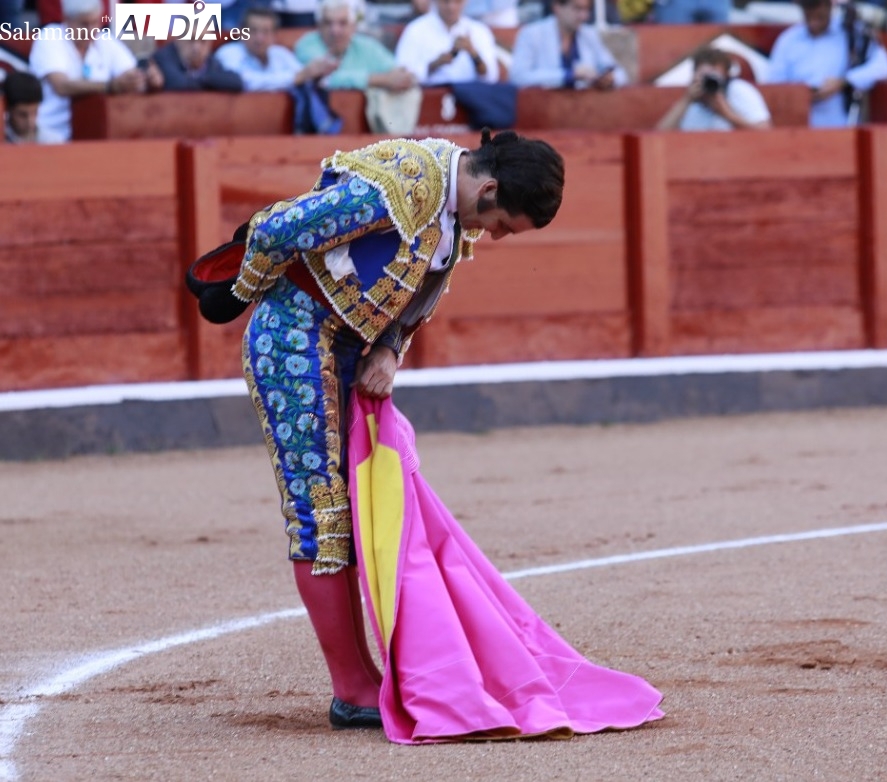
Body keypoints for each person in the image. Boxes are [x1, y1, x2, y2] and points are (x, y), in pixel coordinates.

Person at [194, 130, 662, 738]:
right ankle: (352, 689)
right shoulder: (404, 184)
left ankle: (366, 680)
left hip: (351, 346)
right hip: (293, 340)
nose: (496, 236)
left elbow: (418, 293)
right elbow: (276, 229)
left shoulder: (454, 210)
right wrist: (240, 292)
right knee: (323, 513)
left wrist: (390, 348)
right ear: (488, 189)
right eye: (503, 224)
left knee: (361, 506)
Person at [28, 0, 159, 141]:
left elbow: (130, 73)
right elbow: (61, 85)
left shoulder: (104, 40)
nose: (91, 30)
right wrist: (110, 86)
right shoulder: (50, 36)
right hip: (49, 132)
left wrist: (145, 78)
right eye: (84, 24)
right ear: (67, 20)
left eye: (95, 22)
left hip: (94, 133)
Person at [761, 0, 887, 128]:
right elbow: (774, 85)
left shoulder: (851, 32)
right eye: (808, 11)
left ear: (829, 6)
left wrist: (844, 82)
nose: (813, 19)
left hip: (844, 127)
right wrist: (801, 94)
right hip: (798, 130)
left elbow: (883, 67)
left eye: (818, 13)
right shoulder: (788, 40)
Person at [294, 0, 417, 92]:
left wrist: (402, 77)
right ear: (319, 26)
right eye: (328, 23)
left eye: (342, 23)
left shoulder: (365, 45)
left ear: (353, 26)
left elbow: (397, 71)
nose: (335, 30)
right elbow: (326, 79)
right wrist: (382, 80)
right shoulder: (307, 45)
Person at [509, 0, 628, 90]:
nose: (583, 16)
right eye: (577, 8)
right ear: (557, 7)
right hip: (544, 109)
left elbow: (620, 73)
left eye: (586, 9)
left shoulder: (589, 34)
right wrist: (568, 76)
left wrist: (610, 79)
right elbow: (518, 77)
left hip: (584, 109)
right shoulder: (531, 34)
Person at [214, 7, 339, 91]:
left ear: (274, 35)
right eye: (253, 31)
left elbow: (303, 74)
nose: (259, 38)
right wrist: (296, 78)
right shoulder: (228, 53)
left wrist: (317, 74)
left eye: (266, 32)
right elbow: (244, 82)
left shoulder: (280, 54)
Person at [657, 46, 770, 131]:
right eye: (704, 76)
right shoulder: (691, 101)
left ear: (726, 76)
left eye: (713, 76)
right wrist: (686, 100)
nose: (708, 81)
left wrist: (727, 114)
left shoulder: (738, 90)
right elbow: (659, 137)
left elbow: (765, 132)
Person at [394, 0, 500, 85]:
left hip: (470, 100)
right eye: (446, 1)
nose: (451, 7)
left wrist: (473, 53)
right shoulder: (416, 30)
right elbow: (403, 73)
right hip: (429, 98)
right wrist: (434, 65)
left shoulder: (479, 31)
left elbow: (491, 77)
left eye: (457, 1)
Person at [152, 39, 244, 92]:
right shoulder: (163, 57)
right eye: (191, 40)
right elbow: (178, 84)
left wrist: (202, 79)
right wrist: (210, 83)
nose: (197, 48)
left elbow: (236, 82)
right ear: (178, 40)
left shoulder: (211, 61)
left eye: (203, 41)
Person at [3, 70, 65, 143]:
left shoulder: (54, 141)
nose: (30, 122)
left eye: (35, 112)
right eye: (23, 115)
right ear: (8, 109)